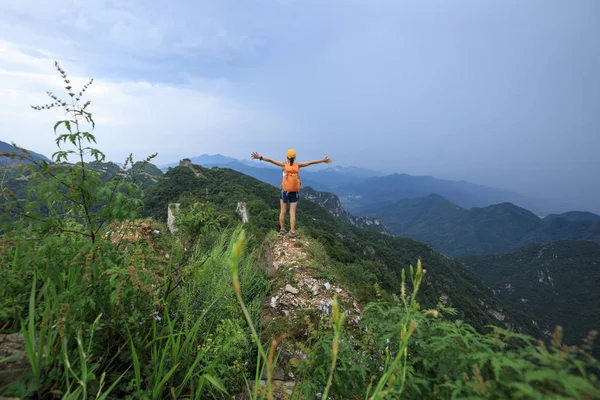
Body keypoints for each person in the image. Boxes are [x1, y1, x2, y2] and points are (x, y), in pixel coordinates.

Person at [251, 149, 331, 237]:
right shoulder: (298, 165)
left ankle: (282, 229)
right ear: (295, 157)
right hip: (294, 192)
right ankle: (292, 232)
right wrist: (323, 160)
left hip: (284, 192)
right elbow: (310, 162)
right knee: (292, 212)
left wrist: (259, 157)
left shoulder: (284, 165)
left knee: (283, 211)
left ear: (287, 157)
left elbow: (271, 160)